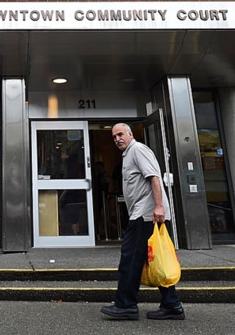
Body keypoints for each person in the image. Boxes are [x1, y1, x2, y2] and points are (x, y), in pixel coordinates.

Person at [101, 122, 185, 321]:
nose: (117, 139)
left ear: (130, 134)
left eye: (120, 134)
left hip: (145, 214)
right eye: (114, 137)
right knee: (154, 259)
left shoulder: (138, 149)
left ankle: (126, 305)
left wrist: (158, 207)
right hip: (143, 214)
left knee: (129, 259)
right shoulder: (128, 154)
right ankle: (171, 304)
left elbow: (154, 177)